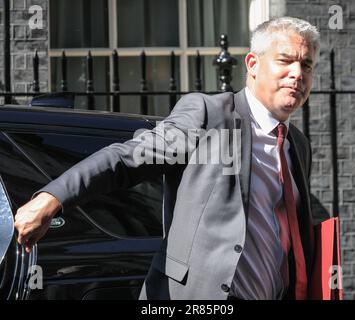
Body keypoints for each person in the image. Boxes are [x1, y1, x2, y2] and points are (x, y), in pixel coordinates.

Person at [14, 17, 328, 300]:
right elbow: (128, 159)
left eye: (307, 65)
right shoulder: (210, 115)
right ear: (252, 64)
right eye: (285, 61)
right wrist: (51, 198)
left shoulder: (297, 145)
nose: (297, 74)